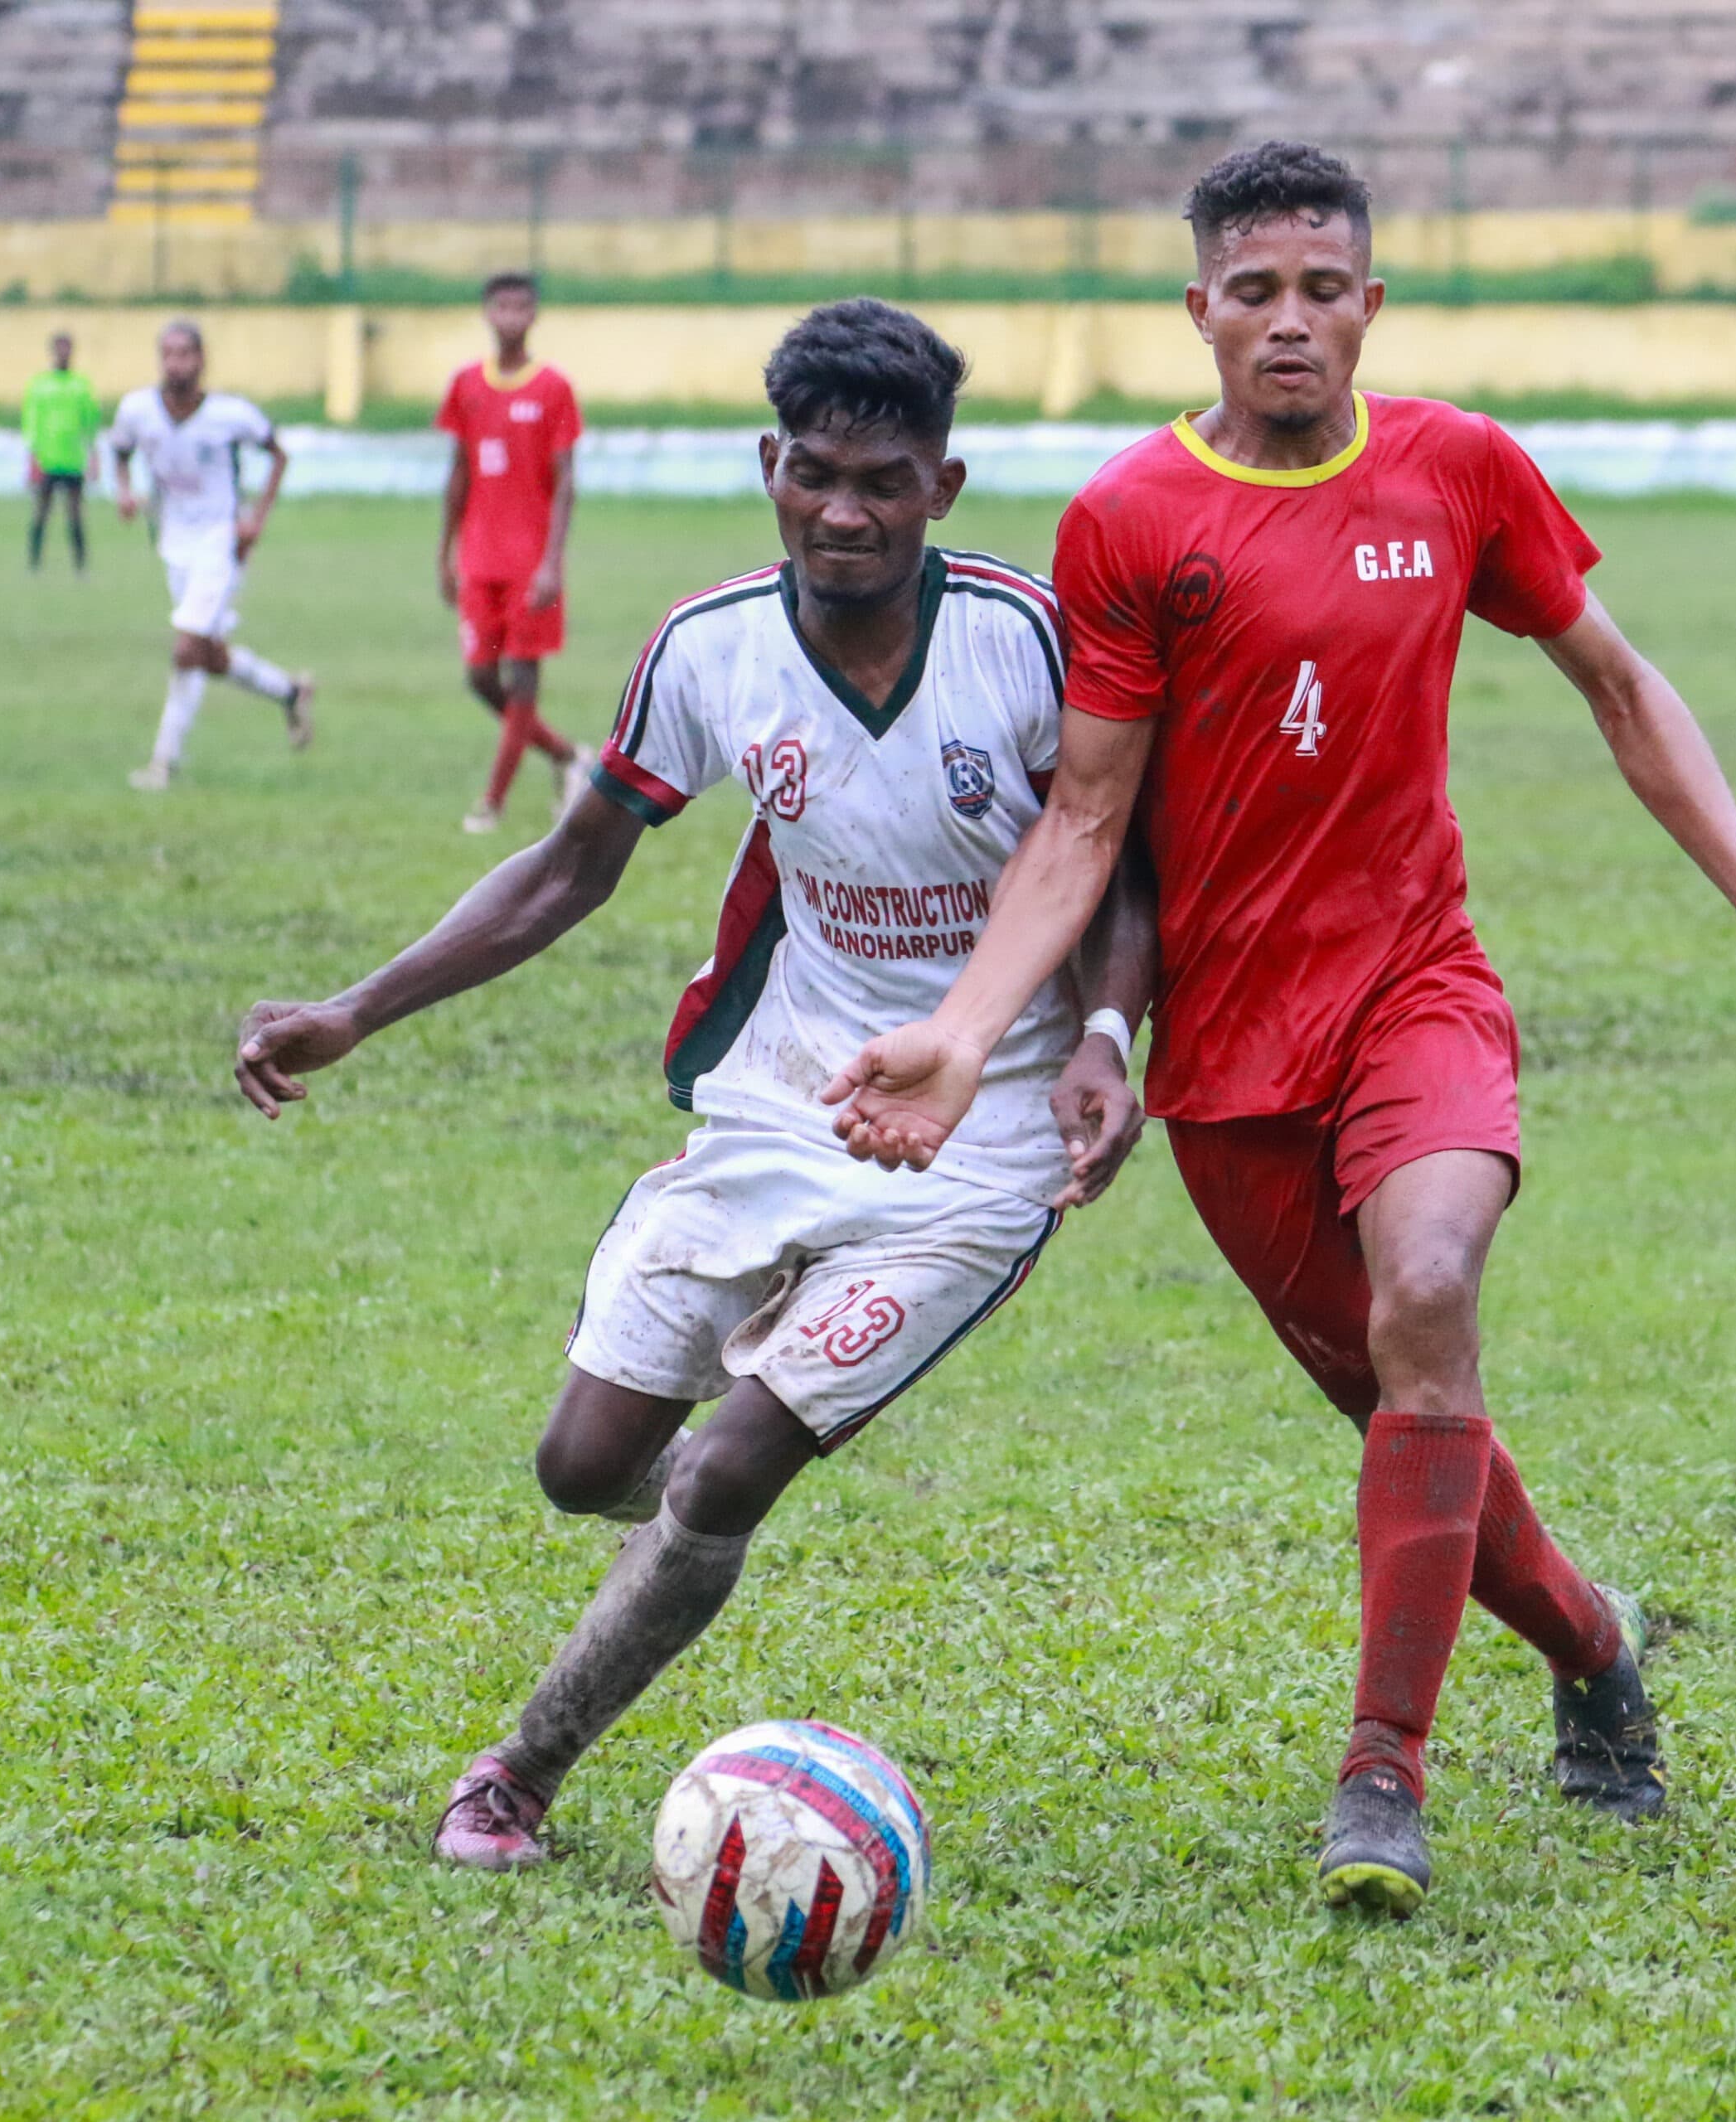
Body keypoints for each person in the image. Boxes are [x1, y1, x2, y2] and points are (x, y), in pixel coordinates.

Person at [825, 143, 1736, 1920]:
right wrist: (963, 1029)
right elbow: (1084, 822)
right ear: (1200, 313)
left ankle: (1379, 1771)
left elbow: (1617, 684)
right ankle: (1588, 1637)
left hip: (1417, 987)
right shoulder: (1129, 520)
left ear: (1369, 305)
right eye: (1254, 292)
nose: (1290, 321)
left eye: (1323, 289)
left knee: (1427, 1295)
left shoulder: (1455, 466)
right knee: (1399, 1403)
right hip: (1230, 1055)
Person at [231, 299, 1154, 1871]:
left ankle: (514, 1776)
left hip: (982, 1141)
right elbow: (568, 869)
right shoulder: (711, 649)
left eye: (881, 480)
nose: (841, 512)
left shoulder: (1024, 633)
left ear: (945, 481)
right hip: (782, 1093)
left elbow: (1114, 861)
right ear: (768, 464)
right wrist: (356, 1011)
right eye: (811, 475)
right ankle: (703, 1530)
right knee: (583, 1468)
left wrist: (1104, 1038)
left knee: (727, 1461)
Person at [109, 319, 314, 791]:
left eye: (185, 354)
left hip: (220, 540)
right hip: (172, 542)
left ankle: (163, 763)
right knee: (205, 652)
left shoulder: (230, 414)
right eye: (168, 353)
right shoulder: (137, 410)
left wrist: (255, 521)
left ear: (201, 360)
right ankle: (289, 691)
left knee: (186, 648)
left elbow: (278, 453)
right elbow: (120, 450)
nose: (176, 363)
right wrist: (123, 491)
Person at [437, 271, 594, 834]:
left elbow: (566, 480)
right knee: (480, 679)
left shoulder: (553, 388)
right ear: (486, 312)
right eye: (501, 306)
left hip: (531, 564)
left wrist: (552, 561)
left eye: (520, 307)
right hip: (479, 560)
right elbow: (457, 473)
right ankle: (569, 758)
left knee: (523, 681)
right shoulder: (466, 386)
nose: (510, 316)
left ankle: (492, 802)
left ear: (534, 316)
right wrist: (445, 553)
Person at [22, 331, 102, 573]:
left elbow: (91, 422)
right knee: (41, 512)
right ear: (53, 351)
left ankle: (80, 565)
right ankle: (34, 563)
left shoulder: (81, 384)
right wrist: (32, 456)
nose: (64, 353)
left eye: (67, 349)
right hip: (47, 458)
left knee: (76, 515)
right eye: (60, 349)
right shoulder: (40, 384)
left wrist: (93, 455)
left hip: (73, 459)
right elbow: (31, 421)